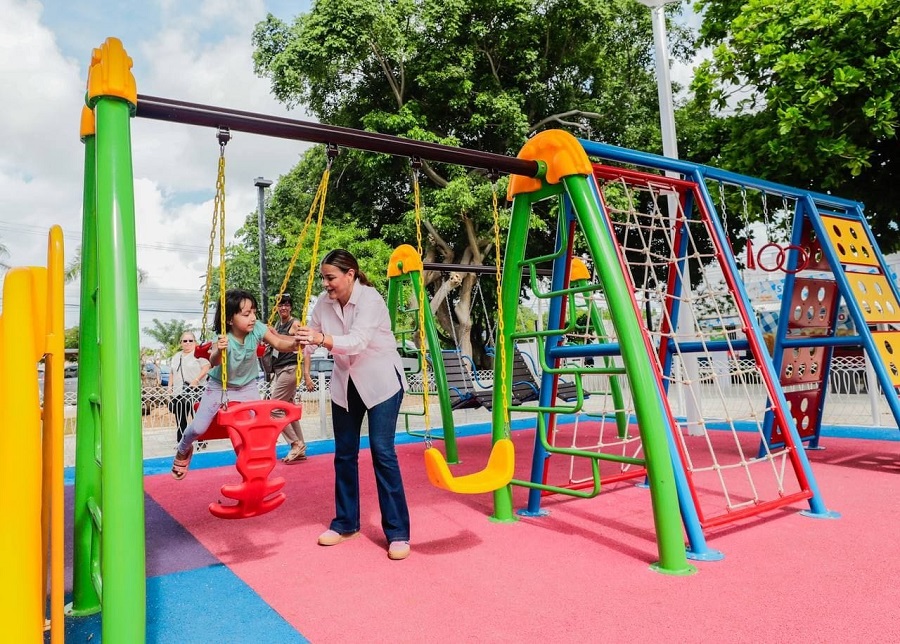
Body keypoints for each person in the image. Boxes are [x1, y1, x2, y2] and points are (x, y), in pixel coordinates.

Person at [298, 249, 411, 561]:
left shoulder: (371, 300)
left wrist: (320, 339)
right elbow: (312, 335)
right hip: (345, 385)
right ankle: (346, 523)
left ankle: (398, 532)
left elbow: (358, 341)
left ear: (350, 274)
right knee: (344, 454)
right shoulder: (324, 303)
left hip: (381, 383)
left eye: (331, 277)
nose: (326, 284)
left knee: (382, 451)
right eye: (323, 278)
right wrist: (299, 338)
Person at [171, 288, 303, 480]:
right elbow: (214, 361)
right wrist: (218, 351)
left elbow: (278, 343)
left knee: (253, 431)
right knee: (198, 429)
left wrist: (294, 345)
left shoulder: (257, 328)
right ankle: (183, 448)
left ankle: (253, 471)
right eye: (246, 314)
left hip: (248, 386)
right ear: (230, 319)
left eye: (254, 312)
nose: (252, 317)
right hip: (219, 387)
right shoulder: (223, 339)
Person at [268, 293, 308, 464]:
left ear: (290, 307)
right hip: (280, 370)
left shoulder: (295, 323)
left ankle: (295, 443)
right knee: (288, 410)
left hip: (290, 369)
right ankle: (301, 447)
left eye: (286, 304)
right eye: (280, 305)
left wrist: (306, 375)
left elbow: (302, 344)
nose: (283, 307)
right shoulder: (278, 323)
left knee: (274, 409)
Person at [167, 331, 211, 445]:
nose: (187, 343)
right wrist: (169, 388)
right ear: (180, 343)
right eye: (184, 341)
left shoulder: (199, 354)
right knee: (180, 418)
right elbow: (172, 372)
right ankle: (181, 442)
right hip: (179, 391)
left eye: (190, 340)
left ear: (195, 342)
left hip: (195, 389)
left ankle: (201, 441)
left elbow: (206, 367)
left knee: (196, 417)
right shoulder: (176, 356)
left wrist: (196, 380)